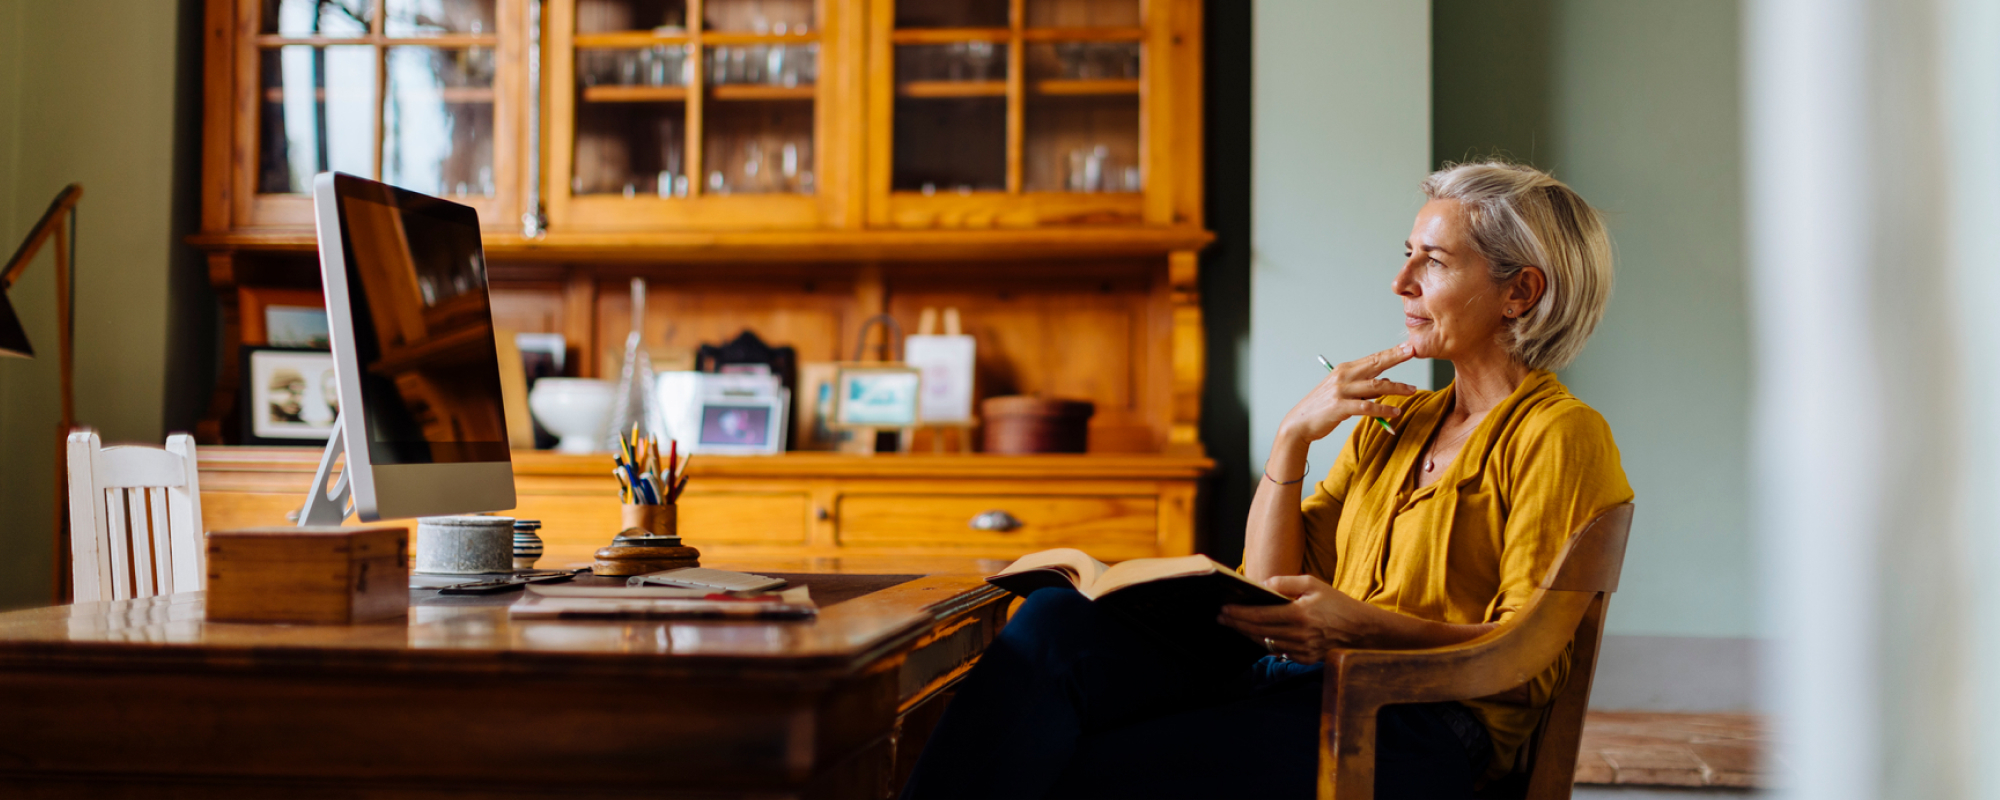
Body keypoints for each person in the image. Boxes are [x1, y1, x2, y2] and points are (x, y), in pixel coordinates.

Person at [900, 162, 1634, 800]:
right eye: (1406, 254)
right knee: (1058, 628)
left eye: (1433, 262)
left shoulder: (1558, 435)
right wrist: (1291, 439)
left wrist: (1359, 628)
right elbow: (1271, 580)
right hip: (1302, 689)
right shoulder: (1398, 423)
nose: (1400, 281)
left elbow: (1523, 658)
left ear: (1520, 293)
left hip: (1422, 730)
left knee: (1072, 765)